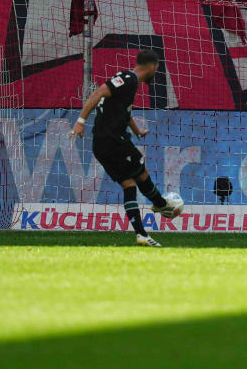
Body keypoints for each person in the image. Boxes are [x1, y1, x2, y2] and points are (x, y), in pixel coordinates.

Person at [68, 49, 184, 247]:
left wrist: (137, 130)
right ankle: (163, 205)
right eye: (156, 68)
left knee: (128, 184)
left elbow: (124, 112)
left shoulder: (129, 86)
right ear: (151, 67)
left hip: (101, 145)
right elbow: (98, 92)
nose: (156, 71)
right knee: (142, 173)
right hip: (114, 140)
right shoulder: (128, 78)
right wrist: (80, 121)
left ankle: (141, 235)